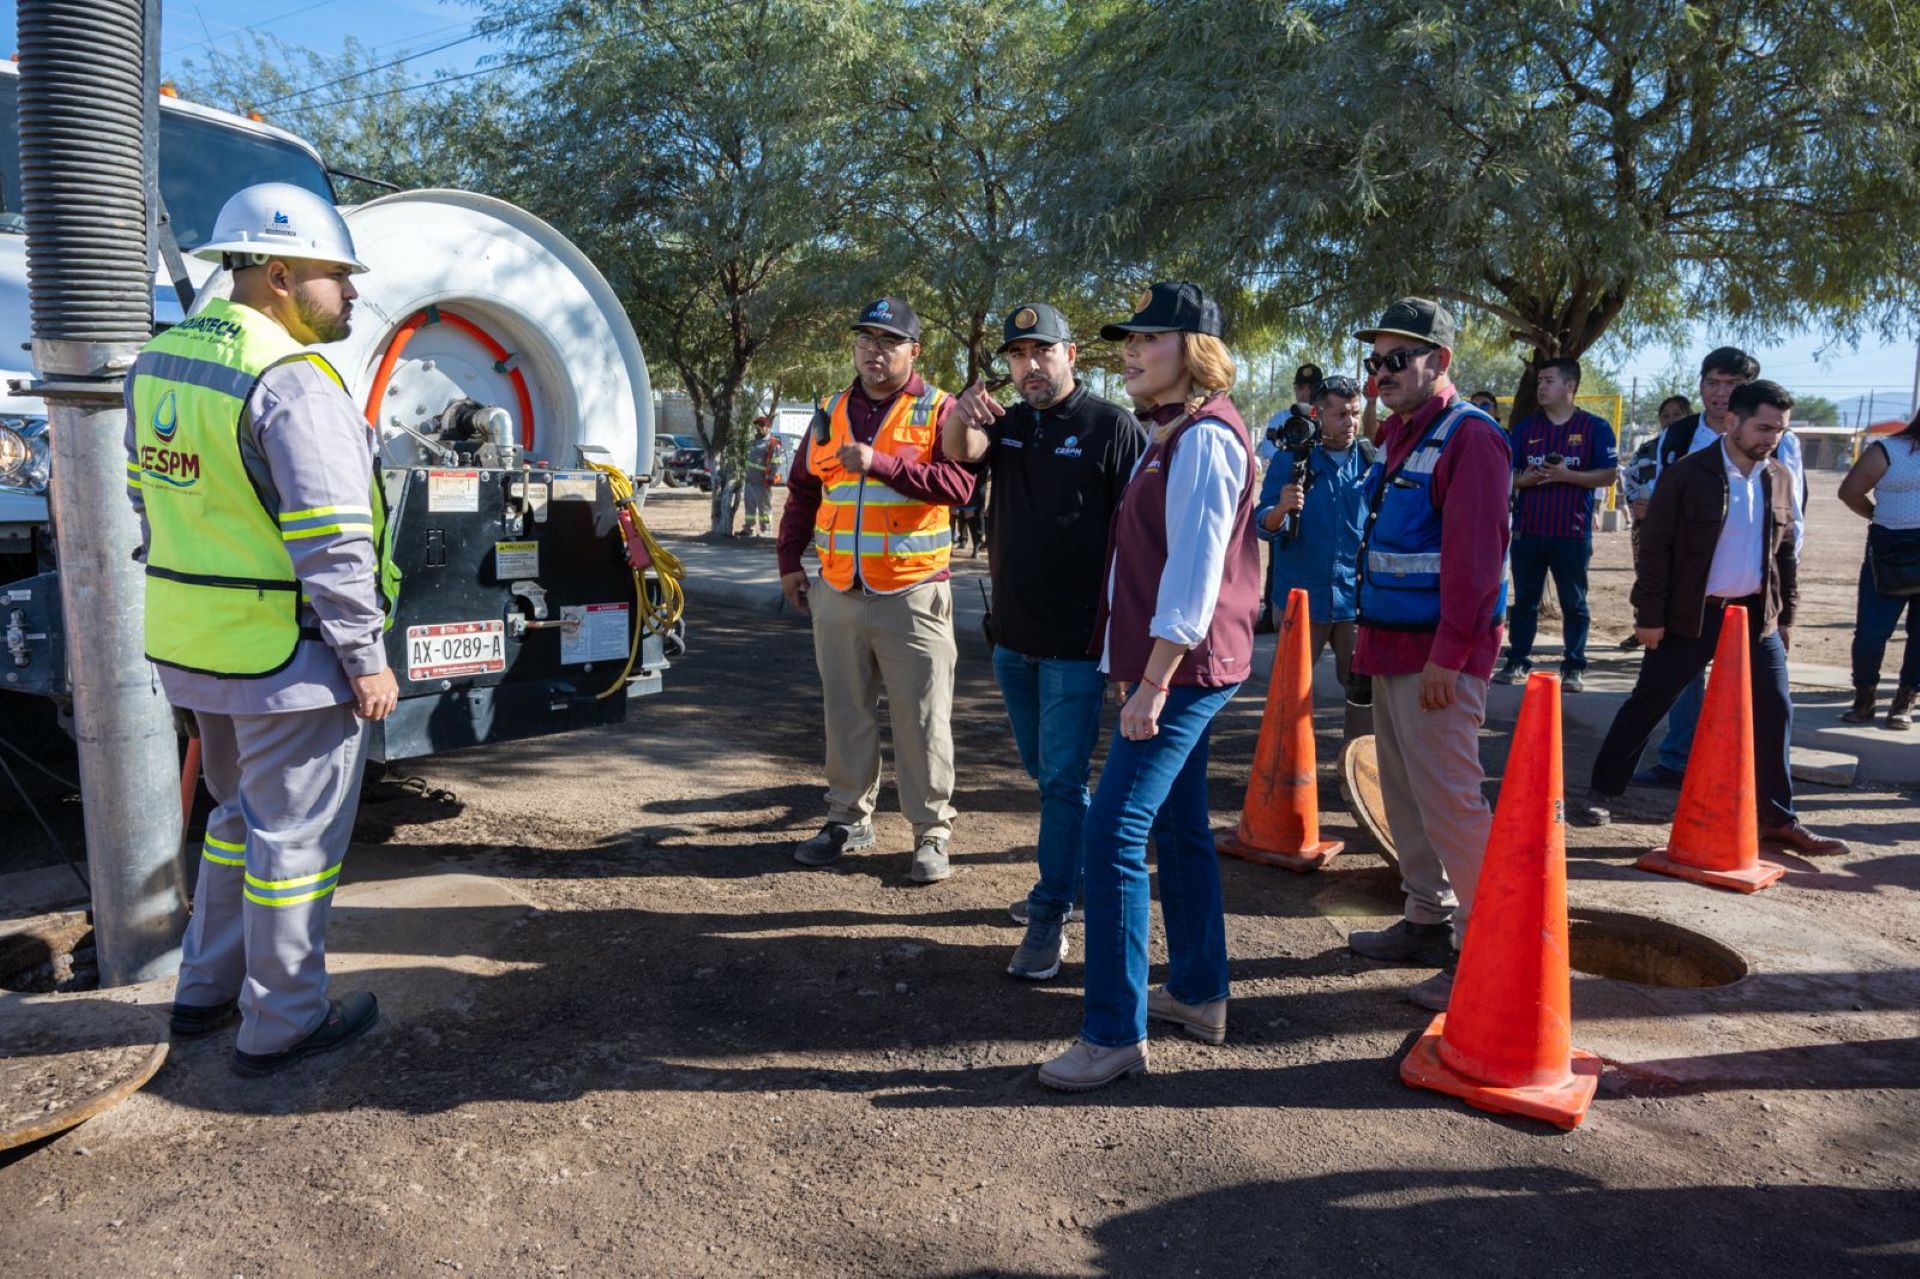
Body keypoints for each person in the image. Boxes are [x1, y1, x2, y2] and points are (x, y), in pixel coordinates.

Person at [126, 183, 395, 1076]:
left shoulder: (162, 361)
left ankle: (206, 988)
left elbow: (147, 501)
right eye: (336, 276)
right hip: (287, 658)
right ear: (278, 274)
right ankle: (283, 1020)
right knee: (297, 843)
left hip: (195, 648)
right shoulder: (291, 379)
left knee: (237, 819)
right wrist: (365, 656)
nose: (351, 293)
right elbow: (331, 541)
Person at [1036, 282, 1259, 1092]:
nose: (1129, 351)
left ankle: (1112, 1033)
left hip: (1182, 672)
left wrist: (1152, 682)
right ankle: (1200, 993)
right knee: (1179, 826)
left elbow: (1194, 579)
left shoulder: (1203, 438)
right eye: (1127, 340)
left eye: (1148, 339)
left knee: (1112, 834)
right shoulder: (1180, 433)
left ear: (1192, 351)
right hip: (1181, 667)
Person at [943, 303, 1146, 979]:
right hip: (1011, 637)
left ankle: (1050, 911)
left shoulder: (1112, 426)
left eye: (1042, 352)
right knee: (1044, 772)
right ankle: (1078, 876)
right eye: (1017, 355)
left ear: (1072, 355)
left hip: (1076, 646)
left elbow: (1141, 541)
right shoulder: (1011, 423)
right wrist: (960, 416)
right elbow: (959, 462)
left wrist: (1130, 645)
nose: (1029, 366)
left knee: (1060, 780)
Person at [1578, 382, 1848, 855]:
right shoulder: (1687, 475)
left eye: (1779, 431)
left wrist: (1785, 617)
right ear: (1731, 422)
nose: (1771, 438)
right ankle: (1602, 793)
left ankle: (1778, 819)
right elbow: (1656, 550)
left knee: (1775, 710)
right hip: (1689, 617)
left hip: (1754, 618)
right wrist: (1649, 615)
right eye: (1763, 427)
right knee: (1649, 702)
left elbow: (1784, 555)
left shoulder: (1780, 477)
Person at [1342, 298, 1512, 1013]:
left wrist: (1450, 657)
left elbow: (1476, 564)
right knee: (1408, 797)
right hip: (1390, 645)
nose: (1381, 372)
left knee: (1451, 803)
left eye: (1396, 359)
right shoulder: (1402, 433)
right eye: (1375, 360)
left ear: (1438, 361)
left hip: (1438, 658)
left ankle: (1486, 950)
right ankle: (1425, 917)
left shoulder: (1470, 437)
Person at [776, 297, 973, 882]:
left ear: (914, 350)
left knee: (922, 719)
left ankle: (931, 831)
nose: (874, 350)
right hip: (837, 589)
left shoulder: (942, 409)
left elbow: (961, 485)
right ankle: (846, 818)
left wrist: (882, 464)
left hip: (913, 592)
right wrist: (789, 558)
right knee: (845, 713)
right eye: (865, 339)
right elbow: (803, 491)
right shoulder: (830, 411)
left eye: (888, 341)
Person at [1631, 349, 1810, 787]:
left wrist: (1782, 604)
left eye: (1731, 385)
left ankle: (1762, 796)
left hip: (1752, 593)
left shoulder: (1780, 447)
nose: (1720, 393)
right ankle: (1675, 759)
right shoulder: (1683, 439)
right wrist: (1651, 606)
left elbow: (1790, 523)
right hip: (1689, 591)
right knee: (1669, 687)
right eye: (1713, 382)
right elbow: (1659, 523)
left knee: (1768, 697)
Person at [1495, 357, 1618, 692]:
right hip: (1528, 530)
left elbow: (1608, 474)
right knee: (1524, 603)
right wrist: (1527, 480)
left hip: (1572, 533)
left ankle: (1574, 666)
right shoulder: (1525, 429)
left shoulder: (1595, 428)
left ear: (1570, 386)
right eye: (1539, 382)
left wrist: (1568, 476)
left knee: (1574, 603)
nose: (1541, 387)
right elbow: (1507, 477)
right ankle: (1517, 660)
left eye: (1549, 381)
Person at [1254, 374, 1374, 691]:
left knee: (1362, 694)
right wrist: (1280, 509)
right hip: (1302, 600)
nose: (1351, 423)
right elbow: (1262, 525)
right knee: (1289, 693)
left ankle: (1358, 743)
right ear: (1319, 415)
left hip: (1355, 603)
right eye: (1341, 415)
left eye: (1355, 413)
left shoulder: (1370, 460)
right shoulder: (1290, 458)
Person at [1836, 412, 1920, 730]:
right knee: (1872, 632)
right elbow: (1849, 491)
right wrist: (1879, 517)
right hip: (1889, 553)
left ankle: (1905, 700)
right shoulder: (1887, 450)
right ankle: (1865, 697)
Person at [1254, 362, 1330, 634]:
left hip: (1319, 498)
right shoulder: (1280, 419)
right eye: (1300, 386)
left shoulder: (1330, 417)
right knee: (1279, 555)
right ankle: (1273, 611)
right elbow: (1268, 452)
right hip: (1285, 491)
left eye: (1312, 387)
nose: (1305, 392)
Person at [1616, 395, 1693, 651]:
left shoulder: (1699, 448)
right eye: (1666, 415)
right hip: (1646, 527)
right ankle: (1643, 626)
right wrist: (1635, 504)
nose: (1670, 420)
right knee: (1648, 576)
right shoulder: (1647, 449)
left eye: (1677, 415)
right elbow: (1630, 480)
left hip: (1685, 531)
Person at [742, 415, 782, 537]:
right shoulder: (753, 442)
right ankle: (749, 529)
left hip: (762, 483)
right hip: (749, 482)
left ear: (768, 428)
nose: (759, 428)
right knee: (749, 509)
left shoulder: (773, 444)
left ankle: (766, 532)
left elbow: (776, 463)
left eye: (762, 425)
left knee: (764, 509)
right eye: (758, 425)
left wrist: (770, 479)